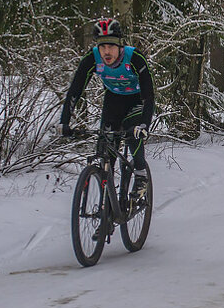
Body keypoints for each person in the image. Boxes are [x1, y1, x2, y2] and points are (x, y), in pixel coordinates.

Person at [61, 17, 154, 201]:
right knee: (105, 151)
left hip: (136, 101)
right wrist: (64, 121)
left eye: (111, 46)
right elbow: (75, 90)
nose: (106, 52)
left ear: (121, 45)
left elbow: (149, 94)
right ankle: (106, 211)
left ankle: (141, 175)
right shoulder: (92, 58)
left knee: (133, 135)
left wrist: (144, 124)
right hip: (113, 101)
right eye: (102, 47)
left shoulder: (134, 57)